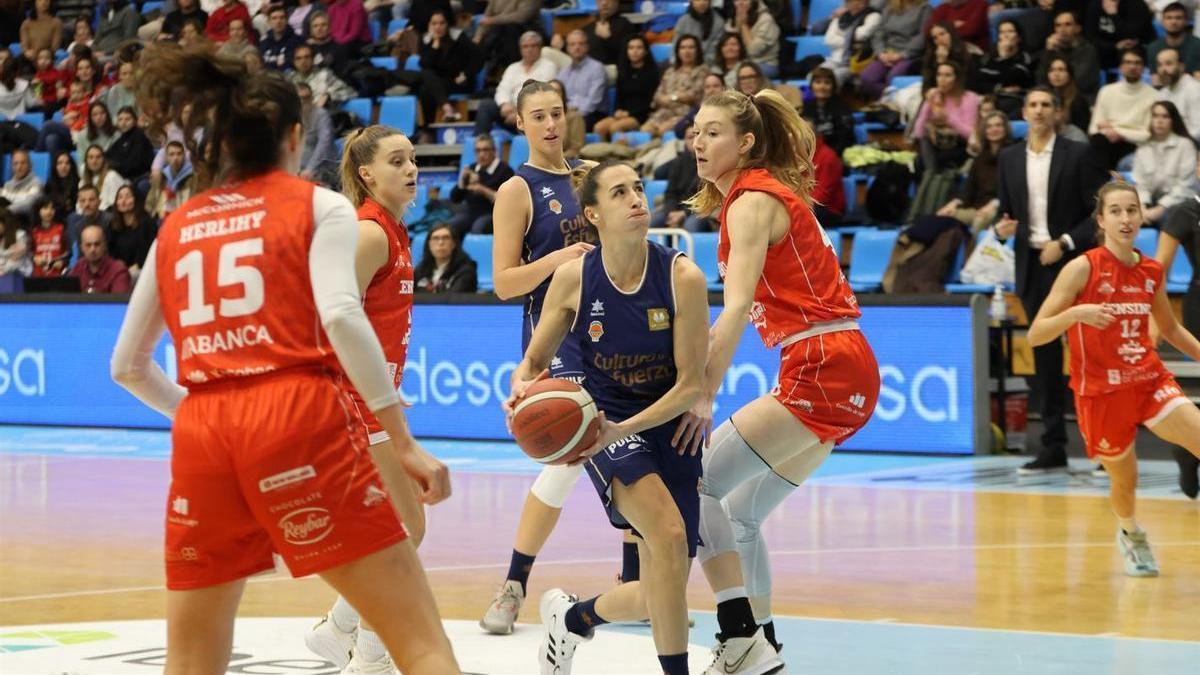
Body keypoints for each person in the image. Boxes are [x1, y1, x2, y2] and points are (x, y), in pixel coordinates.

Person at [109, 43, 456, 674]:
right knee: (423, 643)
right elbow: (343, 315)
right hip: (293, 408)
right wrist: (400, 438)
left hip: (203, 429)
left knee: (190, 660)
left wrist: (200, 410)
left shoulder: (178, 223)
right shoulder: (317, 204)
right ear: (295, 136)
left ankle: (344, 639)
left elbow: (127, 367)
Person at [679, 88, 880, 675]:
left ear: (744, 143)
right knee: (739, 513)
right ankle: (762, 645)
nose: (698, 140)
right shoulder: (759, 195)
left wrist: (703, 392)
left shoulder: (750, 202)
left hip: (822, 361)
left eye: (712, 131)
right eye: (695, 129)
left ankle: (740, 637)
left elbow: (736, 307)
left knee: (695, 484)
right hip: (846, 363)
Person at [506, 161, 709, 675]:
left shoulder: (682, 275)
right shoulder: (574, 276)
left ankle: (572, 618)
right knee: (666, 534)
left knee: (663, 588)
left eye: (639, 188)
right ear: (593, 213)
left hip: (667, 420)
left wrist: (632, 427)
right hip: (607, 422)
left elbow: (690, 384)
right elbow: (534, 360)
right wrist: (521, 382)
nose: (637, 199)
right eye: (620, 192)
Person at [304, 124, 443, 673]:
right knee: (406, 527)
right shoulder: (368, 233)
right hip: (352, 404)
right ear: (367, 175)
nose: (411, 168)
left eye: (412, 159)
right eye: (396, 161)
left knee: (399, 526)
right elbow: (330, 320)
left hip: (369, 399)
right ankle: (370, 655)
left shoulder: (393, 229)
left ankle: (341, 632)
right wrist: (369, 388)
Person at [480, 80, 610, 636]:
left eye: (557, 113)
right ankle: (512, 585)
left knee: (632, 451)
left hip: (614, 333)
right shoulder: (517, 189)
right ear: (521, 123)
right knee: (565, 460)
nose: (551, 124)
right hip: (559, 341)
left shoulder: (594, 175)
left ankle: (635, 585)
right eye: (539, 116)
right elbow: (505, 283)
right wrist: (561, 257)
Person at [1027, 178, 1200, 575]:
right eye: (1116, 212)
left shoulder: (1151, 270)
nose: (1126, 218)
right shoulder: (1081, 269)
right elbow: (1037, 333)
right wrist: (1076, 314)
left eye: (1132, 210)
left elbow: (1170, 330)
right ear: (1101, 220)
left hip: (1148, 379)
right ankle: (1130, 532)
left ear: (1142, 216)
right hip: (1100, 393)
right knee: (1126, 481)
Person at [994, 86, 1107, 473]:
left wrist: (1065, 242)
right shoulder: (1008, 158)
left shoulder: (1078, 154)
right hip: (1030, 265)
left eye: (1046, 105)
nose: (1039, 111)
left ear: (1057, 113)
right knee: (1043, 357)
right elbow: (1007, 212)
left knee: (1088, 351)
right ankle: (1053, 445)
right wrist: (1001, 229)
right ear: (1023, 112)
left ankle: (1107, 444)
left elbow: (1099, 214)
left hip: (1073, 263)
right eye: (1033, 105)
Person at [1156, 195, 1200, 498]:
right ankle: (1187, 450)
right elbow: (1159, 269)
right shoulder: (1187, 210)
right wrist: (1153, 317)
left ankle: (1188, 450)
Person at [473, 31, 557, 136]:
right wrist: (504, 104)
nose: (529, 49)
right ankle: (479, 143)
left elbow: (540, 96)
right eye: (525, 46)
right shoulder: (513, 68)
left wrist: (519, 113)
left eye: (533, 46)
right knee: (486, 105)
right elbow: (502, 89)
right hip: (510, 114)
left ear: (540, 47)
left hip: (535, 116)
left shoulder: (548, 66)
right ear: (520, 49)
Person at [1088, 47, 1156, 171]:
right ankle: (1100, 186)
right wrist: (1111, 133)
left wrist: (1118, 132)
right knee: (1097, 141)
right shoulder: (1106, 91)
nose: (1132, 67)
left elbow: (1148, 135)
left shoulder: (1154, 95)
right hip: (1107, 144)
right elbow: (1093, 129)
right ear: (1120, 66)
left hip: (1136, 146)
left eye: (1137, 62)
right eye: (1128, 62)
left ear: (1144, 67)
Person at [1131, 101, 1197, 224]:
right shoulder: (1143, 147)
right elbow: (1141, 184)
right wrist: (1143, 208)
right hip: (1151, 202)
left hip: (1179, 202)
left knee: (1170, 218)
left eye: (1165, 116)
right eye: (1155, 116)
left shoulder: (1185, 145)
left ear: (1173, 120)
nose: (1159, 121)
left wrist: (1160, 209)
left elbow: (1184, 187)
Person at [592, 36, 662, 141]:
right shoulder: (623, 71)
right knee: (599, 127)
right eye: (631, 48)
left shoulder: (652, 73)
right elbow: (618, 97)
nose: (634, 51)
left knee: (616, 127)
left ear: (645, 51)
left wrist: (629, 113)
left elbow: (651, 102)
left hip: (641, 115)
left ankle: (619, 155)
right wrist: (617, 111)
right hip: (622, 114)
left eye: (639, 48)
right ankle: (602, 155)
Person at [859, 0, 930, 100]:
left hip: (910, 54)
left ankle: (891, 107)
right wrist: (881, 53)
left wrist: (902, 55)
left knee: (894, 78)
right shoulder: (889, 8)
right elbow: (879, 33)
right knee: (866, 78)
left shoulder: (924, 9)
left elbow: (922, 36)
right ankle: (889, 102)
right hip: (887, 52)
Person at [449, 134, 514, 236]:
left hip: (493, 215)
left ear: (494, 151)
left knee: (478, 227)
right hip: (471, 214)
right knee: (451, 226)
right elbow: (454, 198)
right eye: (478, 150)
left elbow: (507, 202)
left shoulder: (505, 170)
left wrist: (482, 189)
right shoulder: (472, 168)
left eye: (485, 150)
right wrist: (461, 181)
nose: (481, 154)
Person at [105, 184, 156, 276]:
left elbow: (149, 250)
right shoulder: (113, 224)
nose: (123, 201)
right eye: (120, 198)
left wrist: (137, 265)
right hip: (118, 270)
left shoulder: (146, 222)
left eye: (128, 197)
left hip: (141, 270)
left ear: (136, 199)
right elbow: (109, 251)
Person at [1154, 47, 1200, 146]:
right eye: (1160, 65)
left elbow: (1198, 130)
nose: (1163, 69)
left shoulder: (1194, 89)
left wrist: (1176, 144)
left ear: (1181, 66)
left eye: (1168, 64)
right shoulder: (1161, 94)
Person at [415, 223, 478, 292]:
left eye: (446, 238)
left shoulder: (466, 271)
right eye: (435, 238)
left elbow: (454, 299)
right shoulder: (420, 270)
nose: (440, 242)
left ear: (454, 244)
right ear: (429, 244)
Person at [71, 223, 131, 292]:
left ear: (105, 246)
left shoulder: (118, 271)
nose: (92, 249)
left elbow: (119, 301)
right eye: (88, 245)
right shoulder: (79, 267)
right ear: (82, 248)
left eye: (97, 244)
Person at [0, 149, 43, 218]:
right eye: (15, 164)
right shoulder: (7, 185)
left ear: (30, 165)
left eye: (22, 163)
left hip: (25, 223)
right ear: (11, 166)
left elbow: (28, 204)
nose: (19, 167)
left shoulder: (37, 183)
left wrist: (4, 211)